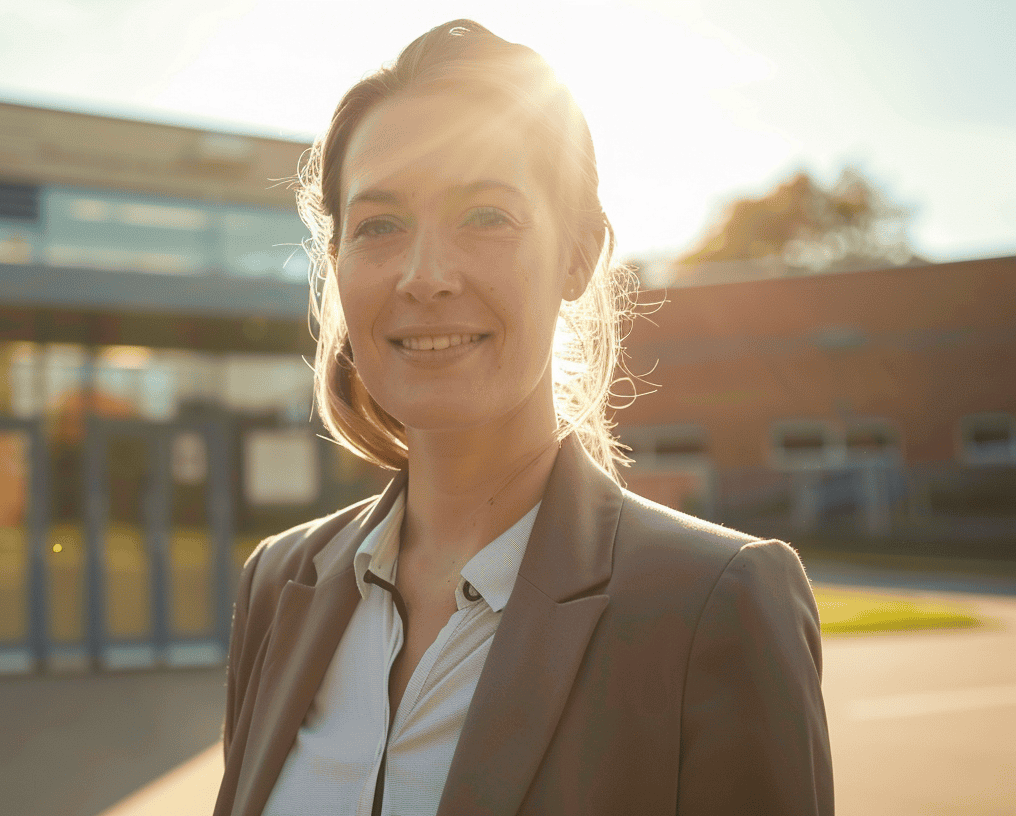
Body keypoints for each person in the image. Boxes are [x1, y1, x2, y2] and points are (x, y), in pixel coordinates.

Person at [214, 19, 832, 816]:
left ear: (576, 256)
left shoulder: (716, 603)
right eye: (379, 225)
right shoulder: (278, 584)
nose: (424, 276)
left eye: (486, 215)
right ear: (336, 265)